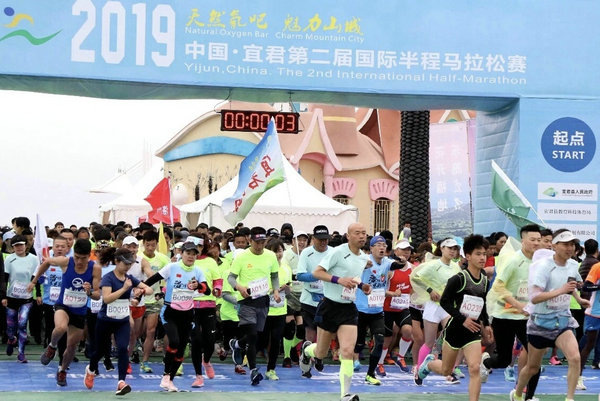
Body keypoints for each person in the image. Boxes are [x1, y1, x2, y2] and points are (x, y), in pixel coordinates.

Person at [510, 229, 590, 401]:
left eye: (572, 244)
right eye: (565, 244)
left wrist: (578, 299)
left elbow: (571, 284)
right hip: (540, 324)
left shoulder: (573, 265)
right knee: (532, 367)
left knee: (575, 358)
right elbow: (535, 298)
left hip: (562, 321)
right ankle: (517, 394)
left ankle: (569, 398)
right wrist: (560, 290)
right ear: (554, 246)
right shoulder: (543, 267)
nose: (570, 248)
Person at [299, 223, 371, 401]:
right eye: (357, 233)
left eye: (364, 233)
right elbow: (317, 272)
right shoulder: (337, 252)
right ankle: (307, 350)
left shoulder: (363, 257)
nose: (362, 236)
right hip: (329, 306)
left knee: (347, 351)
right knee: (321, 353)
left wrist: (362, 286)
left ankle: (345, 394)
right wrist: (338, 280)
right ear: (348, 236)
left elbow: (353, 278)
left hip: (348, 308)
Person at [417, 234, 492, 401]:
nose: (482, 258)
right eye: (478, 254)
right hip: (455, 330)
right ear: (468, 256)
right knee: (446, 370)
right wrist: (462, 319)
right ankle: (429, 364)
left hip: (472, 331)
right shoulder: (458, 279)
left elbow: (482, 304)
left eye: (484, 254)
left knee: (474, 368)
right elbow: (444, 302)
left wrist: (486, 324)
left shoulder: (485, 281)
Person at [481, 224, 542, 400]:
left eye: (538, 240)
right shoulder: (513, 261)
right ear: (523, 241)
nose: (536, 243)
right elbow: (498, 286)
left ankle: (527, 397)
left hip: (526, 319)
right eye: (532, 239)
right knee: (504, 360)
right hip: (504, 316)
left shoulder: (540, 263)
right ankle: (485, 362)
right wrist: (517, 305)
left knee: (534, 360)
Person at [31, 239, 101, 387]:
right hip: (63, 305)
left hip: (79, 311)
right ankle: (52, 346)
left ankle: (62, 370)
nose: (79, 261)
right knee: (61, 327)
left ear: (89, 256)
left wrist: (89, 292)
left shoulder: (95, 268)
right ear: (73, 254)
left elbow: (97, 295)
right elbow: (46, 262)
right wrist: (34, 281)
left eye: (83, 258)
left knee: (71, 346)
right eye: (77, 257)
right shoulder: (65, 262)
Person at [84, 247, 152, 395]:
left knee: (122, 348)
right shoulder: (108, 278)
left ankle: (121, 382)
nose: (127, 267)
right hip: (105, 320)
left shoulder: (129, 278)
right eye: (125, 263)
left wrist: (141, 291)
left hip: (122, 321)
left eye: (130, 264)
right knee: (100, 351)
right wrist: (124, 289)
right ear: (116, 261)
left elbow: (149, 289)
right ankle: (91, 369)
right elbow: (107, 299)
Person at [142, 241, 210, 392]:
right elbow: (153, 279)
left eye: (194, 254)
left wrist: (199, 286)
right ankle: (166, 374)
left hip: (187, 314)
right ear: (181, 254)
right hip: (170, 312)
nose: (191, 257)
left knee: (181, 350)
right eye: (188, 253)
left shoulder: (198, 271)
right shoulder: (172, 267)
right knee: (174, 341)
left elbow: (207, 291)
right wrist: (140, 289)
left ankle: (170, 379)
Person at [228, 226, 281, 386]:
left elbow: (274, 276)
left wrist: (276, 291)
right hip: (246, 301)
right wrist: (240, 287)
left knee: (258, 336)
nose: (260, 245)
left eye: (262, 242)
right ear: (250, 241)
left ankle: (237, 344)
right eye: (257, 242)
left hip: (263, 300)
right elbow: (231, 278)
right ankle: (253, 371)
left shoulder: (270, 256)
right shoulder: (242, 257)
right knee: (252, 336)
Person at [410, 238, 461, 384]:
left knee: (452, 337)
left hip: (447, 307)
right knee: (429, 342)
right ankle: (419, 371)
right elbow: (415, 277)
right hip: (433, 307)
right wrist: (430, 290)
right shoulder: (433, 265)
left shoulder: (456, 267)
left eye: (455, 249)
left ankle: (450, 372)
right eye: (449, 248)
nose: (452, 251)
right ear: (442, 249)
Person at [353, 235, 403, 385]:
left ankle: (370, 374)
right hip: (361, 309)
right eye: (378, 245)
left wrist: (402, 260)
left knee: (380, 341)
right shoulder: (365, 259)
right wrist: (362, 266)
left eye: (384, 245)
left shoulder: (387, 262)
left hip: (377, 311)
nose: (382, 248)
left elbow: (397, 265)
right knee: (359, 344)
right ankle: (350, 359)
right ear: (371, 248)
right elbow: (353, 272)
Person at [1, 234, 39, 362]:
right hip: (12, 297)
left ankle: (21, 353)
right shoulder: (9, 259)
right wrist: (3, 296)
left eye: (21, 245)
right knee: (10, 327)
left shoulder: (34, 259)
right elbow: (5, 279)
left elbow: (37, 277)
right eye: (16, 246)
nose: (19, 248)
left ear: (25, 245)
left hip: (26, 298)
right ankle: (11, 339)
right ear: (12, 247)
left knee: (22, 324)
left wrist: (38, 294)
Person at [380, 239, 414, 376]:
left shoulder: (413, 268)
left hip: (403, 307)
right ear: (396, 251)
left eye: (409, 250)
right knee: (387, 338)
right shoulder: (389, 267)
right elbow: (379, 289)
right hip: (387, 307)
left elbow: (415, 286)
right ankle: (379, 363)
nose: (406, 252)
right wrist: (393, 294)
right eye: (403, 249)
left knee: (408, 331)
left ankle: (401, 357)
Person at [138, 230, 171, 373]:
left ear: (157, 244)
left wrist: (164, 291)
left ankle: (145, 361)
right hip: (138, 300)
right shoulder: (138, 258)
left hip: (154, 300)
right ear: (143, 244)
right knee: (137, 332)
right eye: (147, 245)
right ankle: (132, 353)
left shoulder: (163, 259)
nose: (150, 248)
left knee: (151, 331)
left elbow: (171, 276)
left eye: (153, 245)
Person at [261, 238, 293, 380]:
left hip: (280, 310)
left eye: (279, 251)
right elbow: (259, 289)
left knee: (276, 340)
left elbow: (289, 290)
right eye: (274, 251)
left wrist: (286, 289)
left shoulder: (286, 268)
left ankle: (271, 369)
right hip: (265, 310)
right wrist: (274, 290)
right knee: (261, 340)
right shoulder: (264, 268)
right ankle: (247, 359)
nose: (277, 254)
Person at [296, 226, 332, 351]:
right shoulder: (306, 253)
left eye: (325, 240)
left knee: (324, 333)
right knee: (310, 333)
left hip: (328, 299)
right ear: (313, 239)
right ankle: (306, 357)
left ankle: (319, 356)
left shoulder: (333, 252)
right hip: (309, 299)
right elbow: (300, 275)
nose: (323, 242)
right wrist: (316, 275)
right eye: (320, 240)